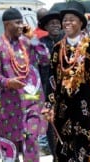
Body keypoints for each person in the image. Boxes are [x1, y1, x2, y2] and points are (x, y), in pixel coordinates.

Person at [41, 0, 90, 162]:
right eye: (65, 19)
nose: (67, 22)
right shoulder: (57, 49)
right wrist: (48, 105)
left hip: (89, 109)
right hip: (64, 111)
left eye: (71, 19)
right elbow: (52, 80)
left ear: (81, 23)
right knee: (67, 152)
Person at [0, 8, 50, 161]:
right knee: (9, 149)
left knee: (31, 143)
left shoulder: (28, 43)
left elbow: (45, 58)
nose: (22, 26)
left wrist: (34, 38)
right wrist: (8, 82)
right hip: (6, 107)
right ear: (7, 24)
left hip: (31, 105)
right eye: (18, 22)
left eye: (22, 22)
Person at [38, 9, 64, 160]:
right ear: (45, 27)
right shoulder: (40, 45)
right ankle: (55, 156)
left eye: (57, 23)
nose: (54, 25)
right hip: (47, 94)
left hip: (66, 92)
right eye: (51, 23)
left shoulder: (67, 41)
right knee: (51, 129)